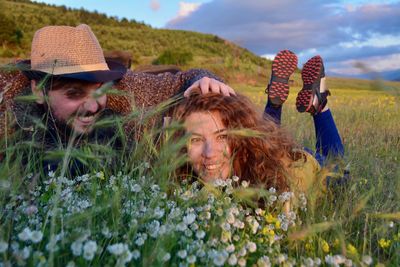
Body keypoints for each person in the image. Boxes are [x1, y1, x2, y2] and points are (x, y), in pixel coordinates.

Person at [0, 24, 234, 173]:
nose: (94, 105)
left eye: (101, 89)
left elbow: (183, 80)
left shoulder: (124, 88)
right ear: (38, 90)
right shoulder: (7, 98)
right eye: (74, 93)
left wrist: (205, 79)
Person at [172, 51, 346, 194]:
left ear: (240, 140)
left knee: (338, 169)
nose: (209, 153)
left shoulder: (281, 188)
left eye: (222, 137)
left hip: (304, 163)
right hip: (272, 153)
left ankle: (314, 102)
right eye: (196, 139)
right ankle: (308, 101)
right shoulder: (179, 180)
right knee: (265, 144)